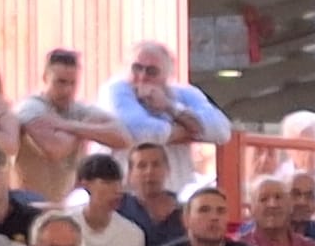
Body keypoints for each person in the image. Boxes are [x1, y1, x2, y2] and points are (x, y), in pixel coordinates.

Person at [100, 42, 233, 192]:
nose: (142, 77)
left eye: (152, 71)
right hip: (124, 199)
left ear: (168, 76)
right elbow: (142, 133)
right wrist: (190, 128)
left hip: (175, 198)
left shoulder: (185, 93)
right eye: (136, 68)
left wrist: (170, 107)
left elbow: (222, 131)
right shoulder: (115, 90)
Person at [12, 49, 130, 203]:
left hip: (64, 204)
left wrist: (69, 126)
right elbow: (54, 149)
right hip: (28, 204)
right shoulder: (31, 108)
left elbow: (123, 138)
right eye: (60, 82)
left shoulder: (79, 110)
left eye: (72, 83)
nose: (67, 90)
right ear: (45, 78)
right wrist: (86, 131)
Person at [69, 154, 148, 246]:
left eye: (118, 182)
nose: (117, 190)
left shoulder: (133, 233)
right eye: (106, 182)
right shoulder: (66, 226)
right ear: (85, 184)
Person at [116, 140, 184, 246]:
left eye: (156, 164)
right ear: (130, 174)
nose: (149, 171)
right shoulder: (119, 209)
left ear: (167, 169)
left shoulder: (186, 212)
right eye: (142, 166)